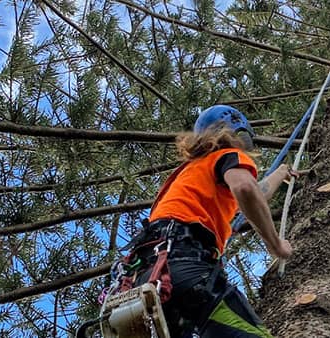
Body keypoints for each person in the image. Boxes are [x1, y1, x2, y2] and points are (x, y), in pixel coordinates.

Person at [122, 105, 293, 338]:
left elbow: (255, 195)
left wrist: (281, 172)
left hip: (146, 281)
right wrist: (275, 244)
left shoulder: (191, 173)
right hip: (186, 265)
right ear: (237, 134)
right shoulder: (228, 155)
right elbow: (245, 188)